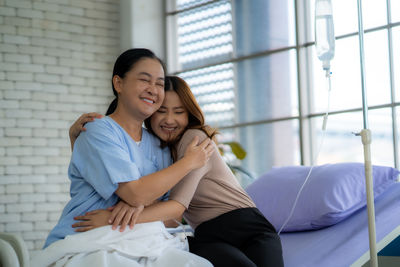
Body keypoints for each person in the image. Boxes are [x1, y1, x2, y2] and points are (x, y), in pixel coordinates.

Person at [71, 75, 284, 267]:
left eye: (179, 112)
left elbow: (176, 209)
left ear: (189, 113)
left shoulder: (195, 140)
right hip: (207, 236)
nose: (169, 120)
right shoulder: (157, 152)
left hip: (248, 229)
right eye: (161, 111)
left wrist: (111, 219)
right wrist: (78, 140)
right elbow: (113, 177)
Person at [43, 49, 214, 248]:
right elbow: (137, 194)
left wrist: (137, 205)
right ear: (118, 83)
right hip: (88, 239)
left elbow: (171, 215)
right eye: (144, 80)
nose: (153, 89)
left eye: (159, 83)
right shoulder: (97, 129)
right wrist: (188, 163)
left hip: (144, 239)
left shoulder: (159, 144)